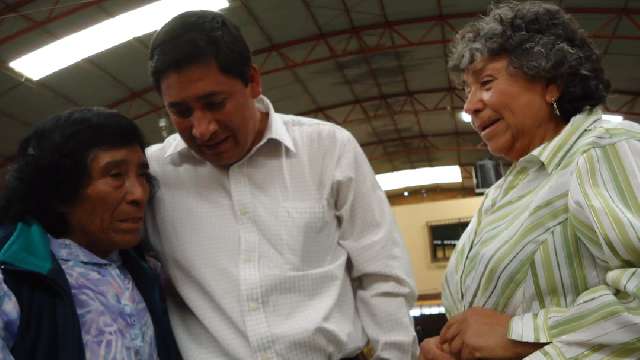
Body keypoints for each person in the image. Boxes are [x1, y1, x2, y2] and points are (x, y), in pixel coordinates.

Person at [145, 10, 419, 360]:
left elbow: (382, 274)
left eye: (215, 104)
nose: (202, 129)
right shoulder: (152, 174)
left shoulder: (327, 149)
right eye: (181, 112)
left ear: (252, 82)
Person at [419, 1, 640, 359]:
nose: (469, 106)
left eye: (486, 83)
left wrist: (520, 334)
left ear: (550, 83)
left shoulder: (604, 151)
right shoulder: (502, 194)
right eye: (466, 90)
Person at [0, 108, 181, 360]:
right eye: (115, 175)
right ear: (59, 191)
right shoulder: (14, 279)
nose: (139, 194)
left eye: (141, 174)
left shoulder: (144, 273)